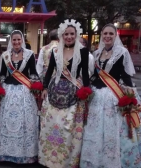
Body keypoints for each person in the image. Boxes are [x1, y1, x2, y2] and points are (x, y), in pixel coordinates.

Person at [80, 23, 141, 168]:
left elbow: (125, 75)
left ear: (115, 35)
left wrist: (130, 94)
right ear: (102, 35)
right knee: (95, 129)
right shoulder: (96, 53)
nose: (107, 36)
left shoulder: (122, 52)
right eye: (105, 33)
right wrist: (86, 86)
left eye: (111, 34)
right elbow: (95, 75)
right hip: (98, 96)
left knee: (114, 130)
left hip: (114, 95)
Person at [39, 19, 90, 167]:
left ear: (76, 35)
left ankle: (66, 161)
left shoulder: (83, 51)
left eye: (71, 34)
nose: (68, 36)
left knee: (68, 128)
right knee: (51, 125)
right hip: (55, 91)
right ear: (61, 35)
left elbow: (85, 74)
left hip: (74, 93)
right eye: (66, 34)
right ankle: (49, 159)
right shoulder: (55, 51)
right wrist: (44, 88)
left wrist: (86, 91)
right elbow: (49, 72)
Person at [0, 30, 39, 164]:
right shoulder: (5, 55)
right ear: (11, 41)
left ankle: (26, 154)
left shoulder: (29, 55)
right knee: (8, 121)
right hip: (8, 91)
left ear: (22, 40)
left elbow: (33, 73)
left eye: (18, 40)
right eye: (14, 40)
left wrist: (35, 83)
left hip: (24, 92)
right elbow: (2, 74)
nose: (16, 42)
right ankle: (7, 152)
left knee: (25, 121)